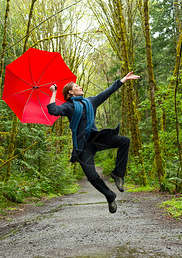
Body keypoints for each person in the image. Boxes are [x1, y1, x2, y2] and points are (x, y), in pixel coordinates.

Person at [47, 72, 140, 213]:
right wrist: (53, 92)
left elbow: (107, 92)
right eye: (76, 86)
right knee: (92, 176)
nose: (80, 86)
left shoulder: (90, 102)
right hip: (83, 146)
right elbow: (53, 110)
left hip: (97, 139)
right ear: (70, 92)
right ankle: (110, 195)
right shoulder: (68, 107)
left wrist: (122, 80)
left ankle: (118, 174)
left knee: (124, 141)